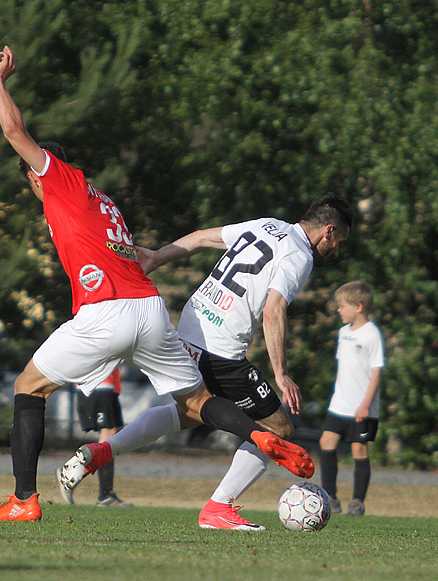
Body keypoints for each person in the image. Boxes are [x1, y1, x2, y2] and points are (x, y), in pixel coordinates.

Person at [0, 46, 313, 521]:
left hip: (106, 312)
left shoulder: (62, 181)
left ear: (41, 174)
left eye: (32, 177)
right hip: (150, 310)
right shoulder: (103, 200)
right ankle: (260, 434)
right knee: (197, 401)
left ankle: (22, 501)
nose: (34, 183)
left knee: (28, 388)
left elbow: (13, 129)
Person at [58, 194, 354, 531]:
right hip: (220, 348)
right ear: (327, 231)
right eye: (339, 242)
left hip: (190, 324)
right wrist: (281, 374)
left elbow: (201, 237)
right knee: (279, 429)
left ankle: (98, 453)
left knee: (189, 413)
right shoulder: (299, 254)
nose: (336, 250)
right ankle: (218, 507)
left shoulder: (266, 226)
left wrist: (157, 256)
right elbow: (274, 309)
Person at [318, 281, 384, 517]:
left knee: (359, 451)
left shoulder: (372, 334)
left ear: (358, 306)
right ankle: (330, 498)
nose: (338, 310)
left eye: (342, 306)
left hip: (362, 408)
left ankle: (357, 502)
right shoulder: (343, 333)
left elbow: (376, 371)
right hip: (339, 405)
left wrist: (366, 404)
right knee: (326, 443)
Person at [56, 368, 132, 507]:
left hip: (109, 387)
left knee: (114, 438)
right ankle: (103, 494)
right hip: (99, 385)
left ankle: (103, 493)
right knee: (108, 439)